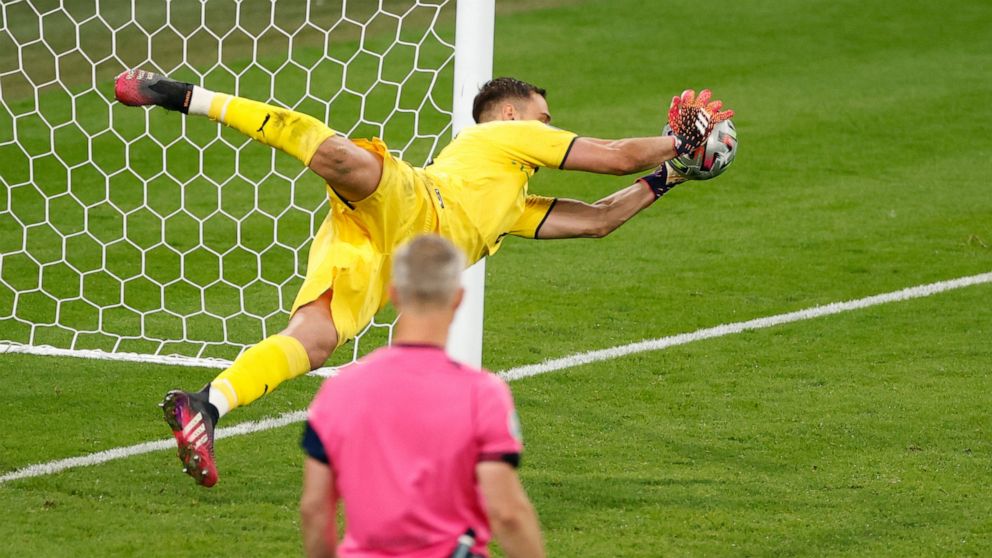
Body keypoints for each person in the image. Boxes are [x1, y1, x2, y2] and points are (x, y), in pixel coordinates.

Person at [115, 69, 733, 486]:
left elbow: (598, 220)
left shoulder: (512, 204)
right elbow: (618, 156)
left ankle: (207, 406)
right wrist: (678, 138)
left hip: (382, 255)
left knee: (314, 343)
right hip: (413, 201)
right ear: (513, 114)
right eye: (544, 117)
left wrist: (672, 175)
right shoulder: (501, 134)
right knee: (335, 155)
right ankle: (177, 94)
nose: (548, 127)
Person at [300, 234, 544, 558]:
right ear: (457, 298)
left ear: (394, 295)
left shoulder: (340, 389)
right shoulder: (482, 395)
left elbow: (314, 508)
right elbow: (508, 513)